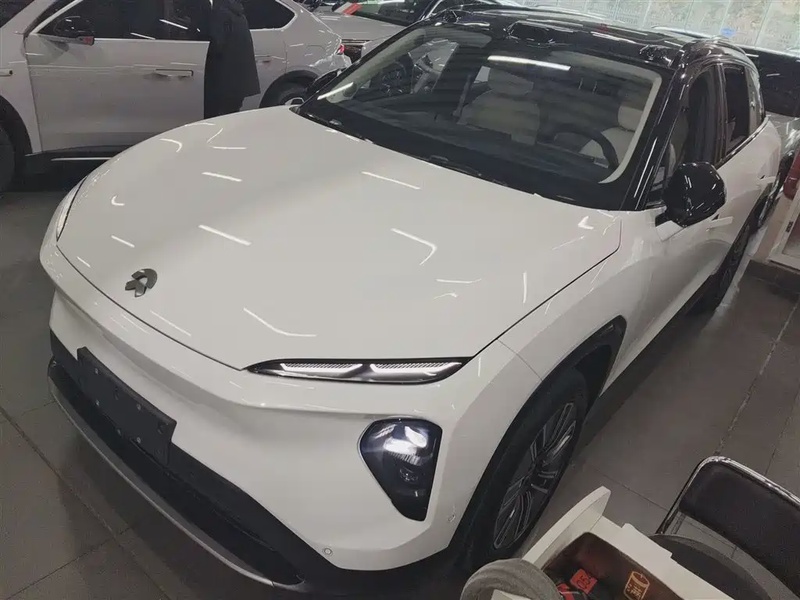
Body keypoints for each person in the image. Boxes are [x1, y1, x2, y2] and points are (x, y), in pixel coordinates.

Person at [203, 0, 260, 119]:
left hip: (224, 82)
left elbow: (216, 45)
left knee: (218, 119)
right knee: (231, 116)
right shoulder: (239, 14)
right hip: (239, 82)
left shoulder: (221, 14)